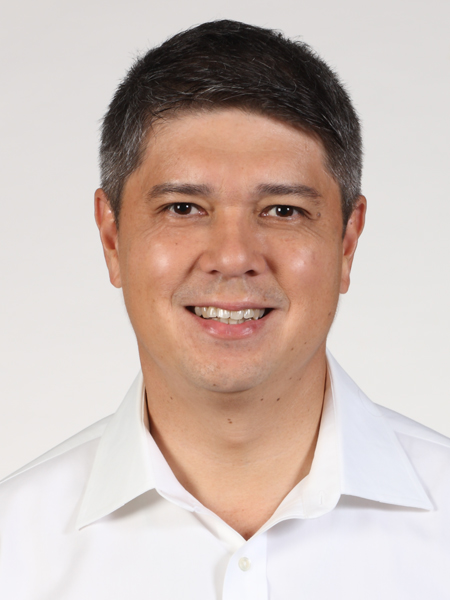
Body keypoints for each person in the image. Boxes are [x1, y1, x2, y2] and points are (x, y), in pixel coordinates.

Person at [0, 19, 449, 599]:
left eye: (283, 211)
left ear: (347, 241)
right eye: (183, 208)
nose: (234, 257)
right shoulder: (13, 549)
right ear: (112, 238)